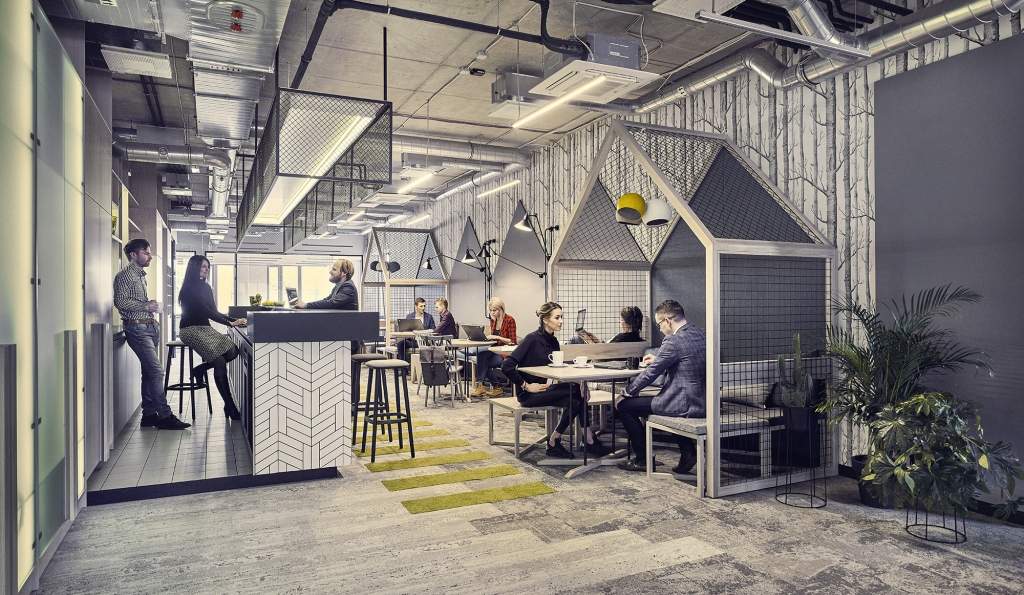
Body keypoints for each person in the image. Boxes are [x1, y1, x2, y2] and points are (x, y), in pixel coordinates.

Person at [501, 302, 611, 458]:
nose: (561, 321)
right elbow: (507, 366)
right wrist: (526, 385)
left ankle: (557, 441)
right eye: (557, 317)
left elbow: (557, 370)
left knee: (576, 398)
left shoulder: (553, 341)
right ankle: (586, 441)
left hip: (544, 390)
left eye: (561, 317)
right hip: (528, 395)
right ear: (545, 319)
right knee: (575, 392)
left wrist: (582, 383)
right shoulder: (531, 339)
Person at [616, 300, 706, 475]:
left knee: (624, 406)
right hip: (704, 402)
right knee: (648, 403)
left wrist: (626, 392)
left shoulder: (673, 340)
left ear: (667, 320)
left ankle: (642, 459)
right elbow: (686, 357)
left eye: (659, 325)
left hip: (683, 404)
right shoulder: (701, 334)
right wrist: (657, 358)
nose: (660, 329)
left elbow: (650, 374)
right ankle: (687, 452)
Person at [113, 239, 191, 430]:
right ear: (133, 255)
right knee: (156, 371)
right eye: (146, 253)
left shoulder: (140, 275)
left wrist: (149, 306)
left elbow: (133, 302)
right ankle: (164, 416)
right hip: (137, 330)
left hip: (148, 327)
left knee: (148, 373)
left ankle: (148, 415)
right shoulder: (125, 275)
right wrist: (146, 306)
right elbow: (120, 302)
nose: (150, 256)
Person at [177, 255, 248, 420]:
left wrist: (233, 320)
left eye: (208, 267)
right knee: (219, 361)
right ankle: (230, 406)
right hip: (189, 329)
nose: (206, 270)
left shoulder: (206, 287)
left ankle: (200, 369)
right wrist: (230, 323)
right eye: (203, 266)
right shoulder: (188, 288)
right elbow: (205, 311)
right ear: (194, 267)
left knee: (232, 350)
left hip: (205, 328)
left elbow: (214, 311)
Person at [471, 296, 517, 398]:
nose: (492, 312)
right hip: (494, 351)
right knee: (481, 355)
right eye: (491, 310)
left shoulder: (510, 320)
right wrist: (486, 339)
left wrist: (497, 337)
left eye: (494, 310)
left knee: (483, 362)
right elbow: (494, 341)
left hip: (505, 353)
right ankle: (486, 386)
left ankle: (493, 387)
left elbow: (513, 341)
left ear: (501, 309)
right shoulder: (493, 321)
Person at [290, 258, 358, 310]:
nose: (330, 272)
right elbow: (326, 300)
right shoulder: (338, 286)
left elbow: (332, 303)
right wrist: (305, 305)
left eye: (334, 269)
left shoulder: (348, 287)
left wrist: (306, 305)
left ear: (344, 273)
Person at [397, 297, 435, 361]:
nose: (423, 308)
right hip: (413, 341)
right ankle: (404, 365)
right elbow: (405, 330)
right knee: (400, 344)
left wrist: (424, 332)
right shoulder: (409, 316)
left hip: (425, 341)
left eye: (424, 306)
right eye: (421, 306)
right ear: (416, 306)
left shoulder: (429, 317)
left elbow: (433, 329)